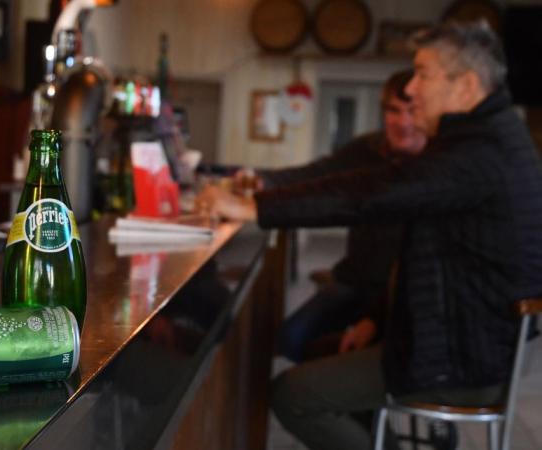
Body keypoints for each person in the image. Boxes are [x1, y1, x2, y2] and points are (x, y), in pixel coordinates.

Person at [197, 21, 542, 450]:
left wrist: (253, 207)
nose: (410, 89)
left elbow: (367, 194)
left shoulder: (477, 154)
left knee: (293, 394)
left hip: (461, 360)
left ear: (466, 85)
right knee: (322, 351)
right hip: (469, 346)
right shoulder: (490, 139)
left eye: (423, 74)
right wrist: (377, 319)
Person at [254, 70, 426, 362]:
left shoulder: (438, 167)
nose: (403, 123)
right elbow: (317, 176)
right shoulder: (367, 148)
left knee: (371, 362)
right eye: (394, 111)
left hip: (401, 296)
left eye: (412, 111)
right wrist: (260, 180)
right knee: (290, 339)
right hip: (354, 280)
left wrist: (376, 319)